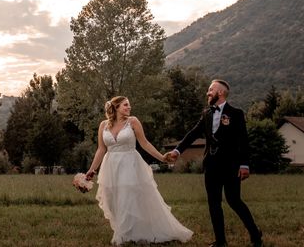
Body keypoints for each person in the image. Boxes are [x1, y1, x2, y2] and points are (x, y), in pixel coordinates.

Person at [166, 80, 262, 247]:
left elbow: (243, 141)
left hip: (231, 166)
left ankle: (255, 234)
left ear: (221, 93)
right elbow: (192, 134)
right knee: (213, 203)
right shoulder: (206, 114)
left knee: (234, 200)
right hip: (211, 165)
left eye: (211, 90)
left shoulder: (236, 113)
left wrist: (244, 165)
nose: (207, 93)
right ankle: (220, 241)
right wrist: (177, 151)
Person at [86, 96, 193, 245]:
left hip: (130, 164)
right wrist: (91, 170)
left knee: (127, 197)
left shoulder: (133, 122)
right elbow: (101, 149)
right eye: (125, 105)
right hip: (110, 166)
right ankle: (125, 231)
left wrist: (162, 158)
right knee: (113, 200)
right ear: (116, 108)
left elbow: (144, 143)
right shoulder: (103, 125)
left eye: (129, 105)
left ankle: (125, 235)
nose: (129, 108)